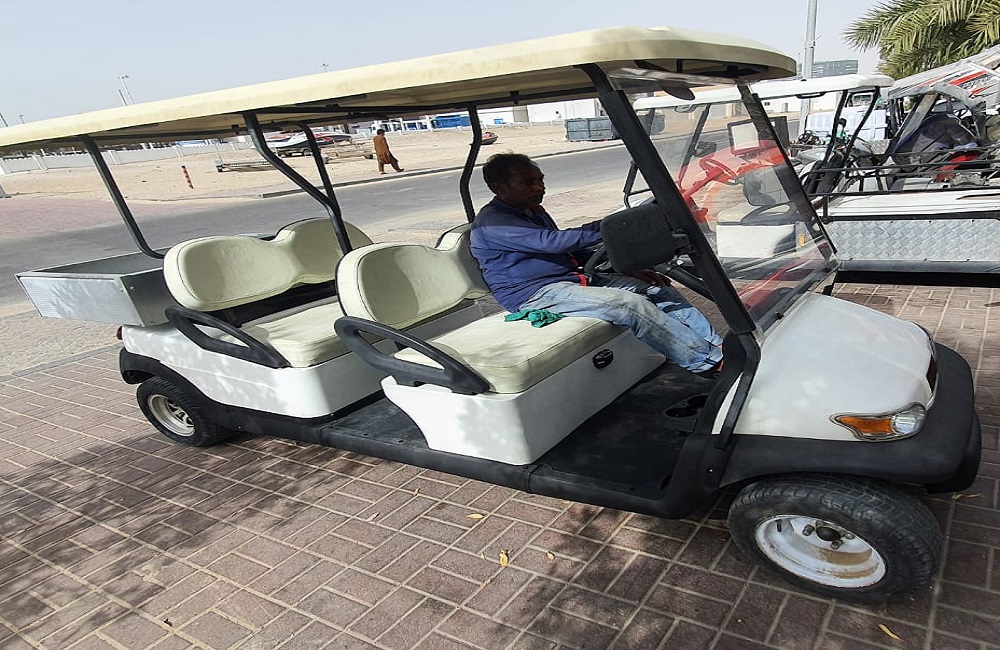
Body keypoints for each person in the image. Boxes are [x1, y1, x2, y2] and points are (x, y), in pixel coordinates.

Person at [470, 153, 723, 374]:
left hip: (570, 279)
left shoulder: (532, 210)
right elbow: (553, 243)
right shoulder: (493, 223)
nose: (538, 187)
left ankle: (716, 346)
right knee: (629, 304)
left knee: (657, 286)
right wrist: (612, 228)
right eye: (528, 183)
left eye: (540, 180)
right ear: (499, 188)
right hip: (534, 293)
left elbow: (573, 250)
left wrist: (625, 268)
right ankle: (707, 362)